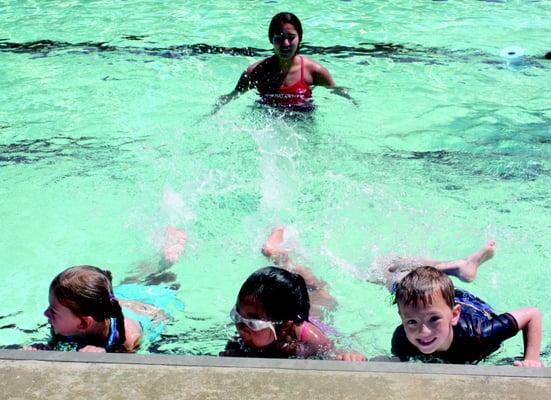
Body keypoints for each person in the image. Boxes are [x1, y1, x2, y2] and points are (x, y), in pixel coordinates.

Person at [24, 225, 187, 353]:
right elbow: (56, 343)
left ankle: (170, 254)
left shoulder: (128, 337)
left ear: (83, 323)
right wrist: (44, 349)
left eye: (53, 311)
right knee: (135, 278)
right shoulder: (65, 322)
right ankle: (163, 256)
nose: (45, 314)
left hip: (153, 305)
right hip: (122, 297)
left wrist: (107, 355)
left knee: (164, 280)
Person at [391, 266, 545, 367]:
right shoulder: (402, 339)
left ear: (454, 315)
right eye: (411, 321)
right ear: (402, 319)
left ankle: (459, 268)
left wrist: (531, 359)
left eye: (434, 319)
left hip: (470, 305)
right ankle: (459, 268)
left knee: (399, 277)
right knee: (393, 280)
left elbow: (532, 314)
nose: (423, 331)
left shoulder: (480, 335)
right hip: (438, 302)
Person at [214, 12, 353, 113]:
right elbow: (231, 96)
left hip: (303, 124)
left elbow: (337, 90)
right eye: (279, 38)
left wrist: (355, 103)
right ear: (271, 39)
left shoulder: (314, 71)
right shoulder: (255, 72)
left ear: (300, 39)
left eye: (291, 37)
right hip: (267, 126)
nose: (285, 43)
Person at [221, 266, 365, 361]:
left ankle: (310, 280)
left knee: (323, 296)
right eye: (237, 315)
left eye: (252, 323)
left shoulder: (310, 338)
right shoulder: (250, 329)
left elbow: (335, 352)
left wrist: (348, 356)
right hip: (288, 311)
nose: (240, 326)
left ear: (283, 328)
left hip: (314, 314)